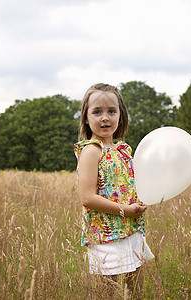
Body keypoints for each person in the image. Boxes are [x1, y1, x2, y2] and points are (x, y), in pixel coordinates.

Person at [74, 83, 155, 296]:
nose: (105, 117)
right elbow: (87, 197)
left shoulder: (123, 149)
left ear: (121, 115)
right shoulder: (91, 151)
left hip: (131, 230)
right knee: (107, 293)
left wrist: (141, 201)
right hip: (105, 235)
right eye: (97, 111)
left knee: (134, 292)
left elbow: (130, 184)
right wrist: (125, 210)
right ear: (86, 117)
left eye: (112, 111)